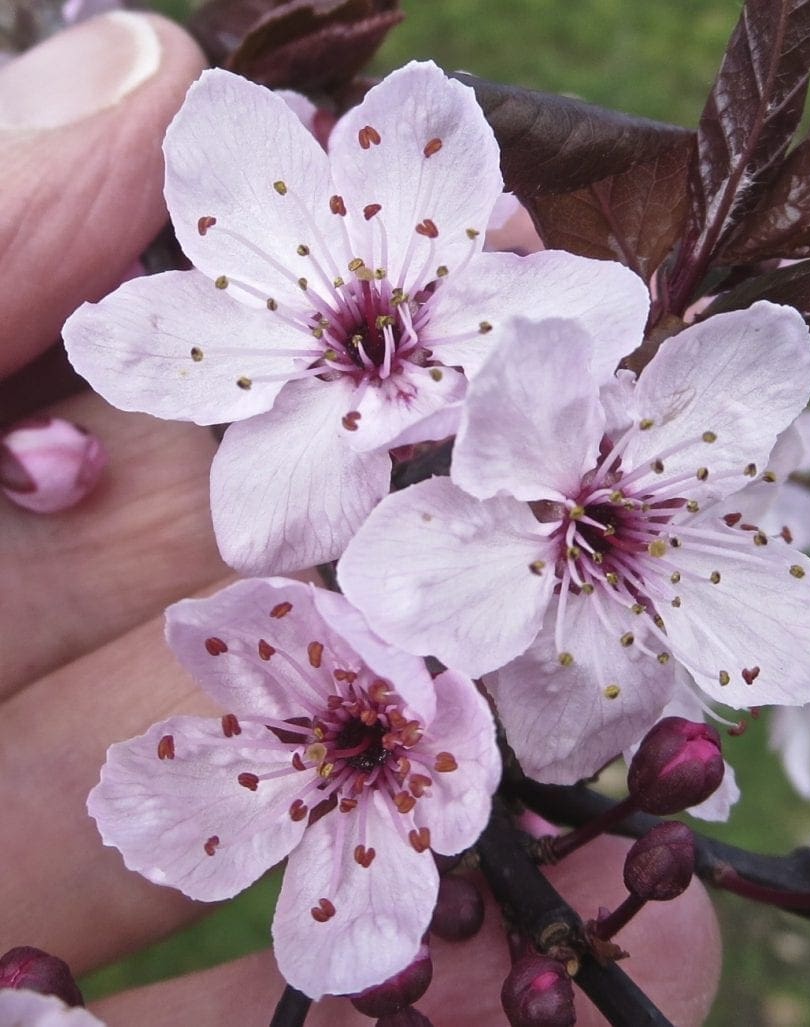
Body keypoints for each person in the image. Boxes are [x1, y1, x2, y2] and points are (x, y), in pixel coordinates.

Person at [0, 11, 721, 1024]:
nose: (373, 329)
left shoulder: (484, 369)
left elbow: (581, 317)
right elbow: (262, 537)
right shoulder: (278, 405)